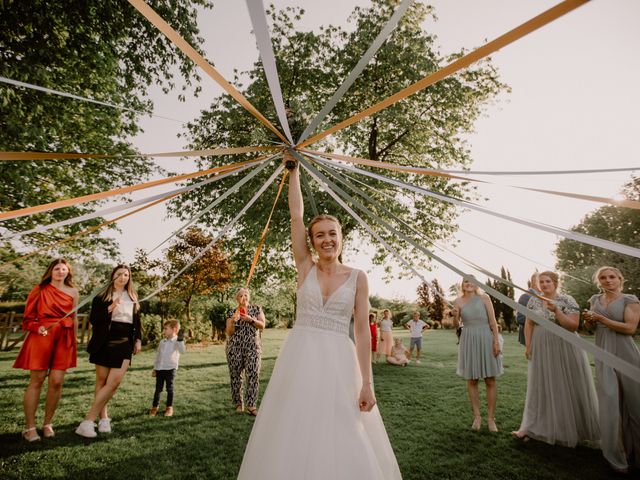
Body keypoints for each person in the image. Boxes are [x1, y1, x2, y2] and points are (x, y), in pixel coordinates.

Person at [237, 154, 401, 479]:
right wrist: (293, 171)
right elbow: (296, 217)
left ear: (341, 238)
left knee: (342, 426)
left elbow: (364, 333)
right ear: (312, 242)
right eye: (320, 235)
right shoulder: (305, 268)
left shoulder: (358, 277)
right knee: (293, 426)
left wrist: (367, 384)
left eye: (332, 233)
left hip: (339, 362)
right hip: (300, 357)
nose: (326, 239)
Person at [512, 271, 599, 446]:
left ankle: (573, 429)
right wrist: (529, 346)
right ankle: (530, 427)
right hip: (542, 347)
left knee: (567, 385)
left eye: (547, 281)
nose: (544, 285)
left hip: (565, 347)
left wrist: (557, 311)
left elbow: (573, 326)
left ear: (555, 282)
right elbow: (528, 324)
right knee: (541, 385)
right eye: (541, 282)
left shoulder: (567, 300)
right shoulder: (534, 300)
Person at [13, 259, 79, 442]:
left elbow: (74, 319)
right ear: (50, 271)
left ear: (68, 272)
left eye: (63, 269)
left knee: (57, 381)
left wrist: (74, 342)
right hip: (42, 337)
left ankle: (47, 423)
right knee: (38, 380)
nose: (59, 271)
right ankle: (29, 427)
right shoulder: (40, 290)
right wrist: (37, 327)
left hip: (64, 339)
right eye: (56, 268)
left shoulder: (73, 292)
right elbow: (27, 319)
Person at [584, 266, 640, 473]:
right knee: (609, 400)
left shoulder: (630, 300)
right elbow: (590, 329)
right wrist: (589, 321)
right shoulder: (594, 300)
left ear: (619, 279)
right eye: (603, 278)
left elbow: (630, 328)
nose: (608, 280)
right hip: (603, 353)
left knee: (635, 403)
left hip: (626, 354)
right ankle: (616, 454)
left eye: (612, 277)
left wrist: (601, 319)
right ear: (599, 281)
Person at [76, 265, 142, 438]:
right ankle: (103, 418)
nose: (122, 277)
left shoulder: (133, 296)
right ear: (113, 276)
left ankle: (87, 421)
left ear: (129, 278)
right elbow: (94, 320)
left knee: (114, 382)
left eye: (126, 275)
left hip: (125, 342)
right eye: (119, 274)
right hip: (105, 341)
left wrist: (138, 340)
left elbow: (137, 321)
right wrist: (110, 307)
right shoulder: (101, 296)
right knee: (102, 382)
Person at [452, 276, 502, 432]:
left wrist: (496, 341)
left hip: (486, 338)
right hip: (469, 340)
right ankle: (477, 416)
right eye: (466, 281)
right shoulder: (458, 301)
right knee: (472, 380)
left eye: (472, 281)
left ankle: (491, 419)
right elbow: (456, 326)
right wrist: (455, 316)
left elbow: (493, 322)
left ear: (476, 284)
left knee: (490, 379)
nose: (469, 284)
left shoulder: (484, 297)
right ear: (462, 284)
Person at [224, 287, 265, 416]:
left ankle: (251, 405)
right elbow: (229, 332)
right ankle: (238, 403)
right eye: (241, 295)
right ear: (237, 298)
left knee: (253, 375)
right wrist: (233, 321)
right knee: (236, 376)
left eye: (246, 295)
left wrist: (250, 319)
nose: (244, 297)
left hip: (253, 347)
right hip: (235, 348)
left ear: (249, 297)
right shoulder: (232, 312)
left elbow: (262, 325)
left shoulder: (256, 309)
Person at [150, 319, 186, 417]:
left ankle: (169, 407)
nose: (164, 331)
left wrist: (180, 340)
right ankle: (154, 407)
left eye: (166, 329)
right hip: (160, 369)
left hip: (170, 369)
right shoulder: (163, 342)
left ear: (174, 329)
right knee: (158, 389)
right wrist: (155, 368)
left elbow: (182, 351)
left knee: (169, 389)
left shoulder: (177, 341)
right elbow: (158, 356)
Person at [516, 272, 540, 346]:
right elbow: (520, 318)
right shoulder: (526, 296)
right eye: (541, 281)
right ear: (536, 283)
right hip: (532, 337)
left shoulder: (541, 297)